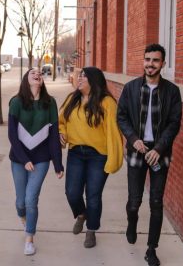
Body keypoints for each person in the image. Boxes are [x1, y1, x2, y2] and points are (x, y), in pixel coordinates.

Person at [117, 43, 182, 266]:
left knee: (156, 201)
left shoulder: (172, 91)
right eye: (147, 59)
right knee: (134, 201)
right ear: (143, 61)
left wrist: (159, 148)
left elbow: (174, 123)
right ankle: (132, 222)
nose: (150, 64)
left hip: (159, 152)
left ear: (162, 63)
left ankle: (151, 249)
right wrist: (134, 139)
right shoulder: (131, 88)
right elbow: (122, 117)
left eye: (155, 60)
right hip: (137, 149)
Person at [59, 66, 123, 248]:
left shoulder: (107, 103)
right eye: (79, 76)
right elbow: (61, 121)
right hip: (76, 153)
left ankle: (91, 230)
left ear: (94, 81)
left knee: (93, 196)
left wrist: (114, 159)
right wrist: (61, 133)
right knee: (72, 192)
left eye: (83, 77)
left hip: (98, 155)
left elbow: (114, 133)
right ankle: (81, 214)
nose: (79, 79)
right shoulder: (72, 99)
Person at [8, 68, 64, 255]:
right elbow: (12, 136)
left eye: (40, 73)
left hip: (41, 159)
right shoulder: (16, 103)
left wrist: (57, 163)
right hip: (19, 159)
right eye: (33, 72)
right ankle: (24, 218)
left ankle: (29, 238)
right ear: (26, 79)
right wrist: (24, 160)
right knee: (20, 203)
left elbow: (54, 135)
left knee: (31, 199)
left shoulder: (50, 103)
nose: (37, 74)